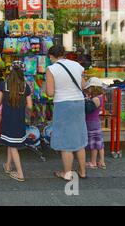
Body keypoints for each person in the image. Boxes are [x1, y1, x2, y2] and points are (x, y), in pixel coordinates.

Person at [46, 45, 88, 180]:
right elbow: (83, 85)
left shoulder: (51, 69)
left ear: (51, 56)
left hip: (63, 104)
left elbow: (50, 92)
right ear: (63, 54)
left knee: (65, 140)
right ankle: (82, 171)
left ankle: (67, 173)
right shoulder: (76, 65)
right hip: (79, 102)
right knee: (79, 137)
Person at [0, 61, 33, 182]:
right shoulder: (25, 86)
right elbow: (30, 106)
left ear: (11, 71)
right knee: (10, 143)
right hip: (19, 120)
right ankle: (7, 165)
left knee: (12, 146)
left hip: (7, 119)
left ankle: (20, 173)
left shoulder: (4, 84)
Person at [84, 77, 106, 170]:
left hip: (91, 123)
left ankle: (94, 162)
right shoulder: (101, 97)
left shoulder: (96, 99)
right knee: (98, 143)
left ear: (93, 88)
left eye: (89, 88)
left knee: (94, 144)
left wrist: (85, 101)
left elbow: (88, 109)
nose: (88, 90)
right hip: (95, 122)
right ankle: (101, 162)